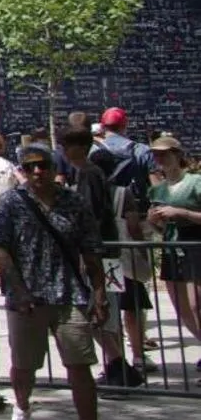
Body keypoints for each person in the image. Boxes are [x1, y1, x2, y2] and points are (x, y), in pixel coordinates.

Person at [0, 141, 112, 420]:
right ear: (22, 171)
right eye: (30, 167)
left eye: (43, 165)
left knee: (80, 366)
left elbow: (91, 249)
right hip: (28, 298)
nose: (37, 172)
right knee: (25, 366)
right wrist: (18, 288)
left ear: (55, 168)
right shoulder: (9, 203)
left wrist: (99, 291)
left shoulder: (73, 203)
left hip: (69, 293)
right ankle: (22, 406)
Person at [57, 127, 147, 387]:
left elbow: (90, 217)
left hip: (100, 256)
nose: (64, 150)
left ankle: (119, 367)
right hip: (105, 254)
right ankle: (115, 364)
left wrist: (85, 253)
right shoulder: (85, 173)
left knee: (101, 310)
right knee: (105, 311)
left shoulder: (88, 174)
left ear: (81, 148)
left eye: (68, 145)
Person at [145, 133, 201, 345]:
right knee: (181, 306)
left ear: (177, 155)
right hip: (171, 249)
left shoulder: (195, 183)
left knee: (196, 304)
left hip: (195, 247)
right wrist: (153, 220)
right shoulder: (156, 189)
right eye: (156, 155)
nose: (159, 159)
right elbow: (158, 227)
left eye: (164, 154)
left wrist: (183, 213)